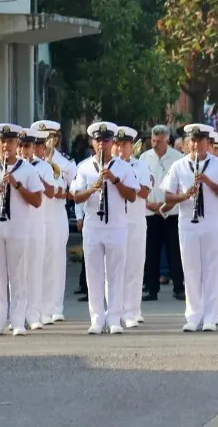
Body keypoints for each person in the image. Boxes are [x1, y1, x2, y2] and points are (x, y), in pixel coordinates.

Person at [161, 123, 218, 332]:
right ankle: (193, 316)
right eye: (192, 141)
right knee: (192, 269)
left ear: (207, 143)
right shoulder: (179, 166)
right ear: (187, 143)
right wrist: (186, 194)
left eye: (200, 141)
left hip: (212, 223)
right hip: (188, 223)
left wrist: (209, 183)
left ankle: (211, 316)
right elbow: (168, 197)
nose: (196, 145)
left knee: (212, 270)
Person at [0, 124, 45, 337]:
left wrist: (17, 185)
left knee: (18, 275)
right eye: (2, 141)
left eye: (11, 142)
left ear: (16, 144)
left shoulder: (27, 169)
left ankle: (18, 321)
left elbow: (37, 200)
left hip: (19, 226)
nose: (6, 146)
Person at [69, 122, 140, 335]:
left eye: (106, 140)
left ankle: (115, 318)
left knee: (116, 274)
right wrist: (93, 188)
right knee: (94, 274)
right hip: (93, 226)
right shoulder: (84, 167)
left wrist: (114, 180)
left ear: (112, 143)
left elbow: (132, 196)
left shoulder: (123, 167)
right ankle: (97, 319)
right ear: (93, 143)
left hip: (116, 226)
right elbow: (75, 196)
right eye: (98, 140)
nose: (102, 144)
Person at [33, 120, 75, 324]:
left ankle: (55, 306)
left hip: (56, 215)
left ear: (56, 139)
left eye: (50, 137)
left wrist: (60, 192)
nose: (47, 142)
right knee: (36, 262)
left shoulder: (65, 162)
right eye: (42, 138)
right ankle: (38, 307)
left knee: (56, 261)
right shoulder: (27, 163)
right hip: (34, 215)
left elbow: (72, 190)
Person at [139, 125, 185, 302]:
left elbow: (181, 185)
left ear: (168, 140)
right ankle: (151, 288)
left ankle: (179, 287)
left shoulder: (177, 158)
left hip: (171, 211)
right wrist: (148, 203)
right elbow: (140, 183)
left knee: (175, 250)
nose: (156, 144)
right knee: (151, 251)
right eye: (153, 141)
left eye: (159, 141)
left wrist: (167, 204)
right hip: (150, 210)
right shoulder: (144, 157)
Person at [19, 128, 58, 331]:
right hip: (16, 225)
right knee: (17, 272)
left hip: (36, 224)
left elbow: (51, 192)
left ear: (33, 148)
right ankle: (17, 314)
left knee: (35, 270)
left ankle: (34, 314)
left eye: (27, 146)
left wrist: (33, 175)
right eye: (22, 146)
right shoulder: (9, 167)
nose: (24, 150)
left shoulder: (43, 167)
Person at [116, 126, 153, 328]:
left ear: (132, 146)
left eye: (125, 145)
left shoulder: (140, 166)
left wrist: (126, 181)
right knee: (114, 269)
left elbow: (144, 192)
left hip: (135, 222)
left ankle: (132, 310)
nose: (121, 149)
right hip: (114, 223)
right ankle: (116, 310)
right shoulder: (108, 166)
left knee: (134, 267)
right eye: (118, 144)